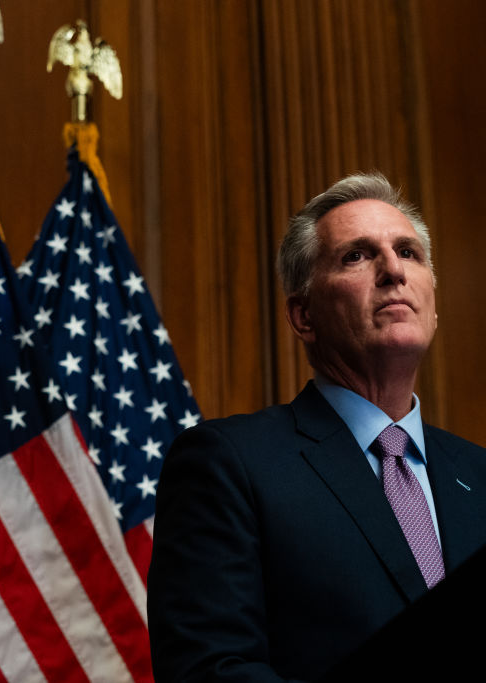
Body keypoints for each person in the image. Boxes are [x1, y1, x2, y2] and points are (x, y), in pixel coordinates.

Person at [147, 172, 486, 682]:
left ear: (433, 306)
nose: (393, 270)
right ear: (303, 316)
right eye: (357, 255)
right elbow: (210, 669)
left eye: (409, 252)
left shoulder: (479, 475)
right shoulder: (228, 462)